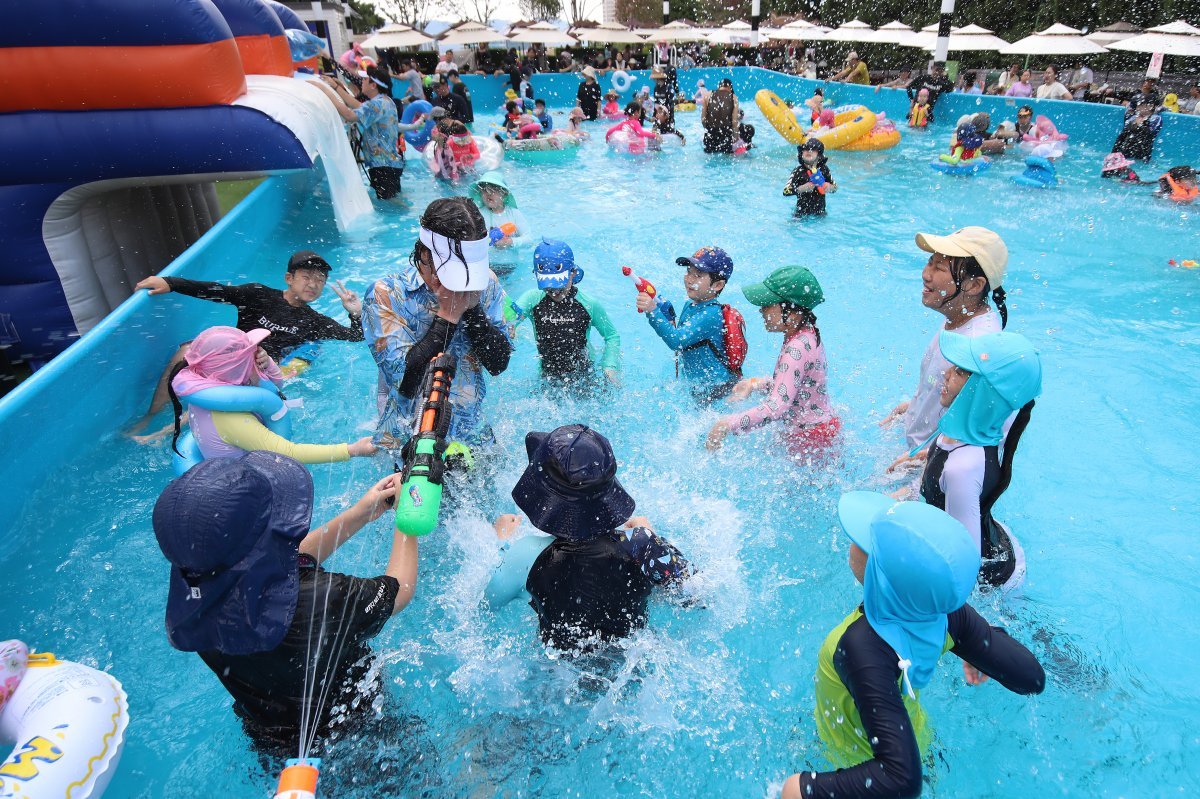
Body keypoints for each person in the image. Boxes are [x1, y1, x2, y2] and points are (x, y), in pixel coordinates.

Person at [778, 492, 1045, 799]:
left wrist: (803, 788)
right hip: (918, 744)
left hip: (858, 772)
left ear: (883, 577)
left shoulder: (859, 645)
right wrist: (985, 644)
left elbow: (900, 779)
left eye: (863, 541)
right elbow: (1031, 678)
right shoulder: (948, 616)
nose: (852, 543)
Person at [152, 452, 418, 751]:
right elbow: (399, 590)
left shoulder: (196, 597)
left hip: (271, 741)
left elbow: (290, 559)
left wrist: (360, 513)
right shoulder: (322, 599)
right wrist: (409, 515)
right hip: (358, 736)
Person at [485, 425, 691, 652]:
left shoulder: (525, 554)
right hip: (632, 661)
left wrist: (502, 540)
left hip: (558, 671)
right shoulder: (641, 545)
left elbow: (489, 603)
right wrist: (652, 537)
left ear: (543, 498)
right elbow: (693, 595)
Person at [130, 251, 364, 436]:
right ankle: (151, 415)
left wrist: (355, 313)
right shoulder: (257, 294)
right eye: (307, 277)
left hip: (257, 371)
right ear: (289, 278)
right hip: (227, 356)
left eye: (320, 280)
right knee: (185, 350)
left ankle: (162, 433)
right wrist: (170, 283)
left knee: (236, 384)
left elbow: (356, 336)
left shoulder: (315, 321)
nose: (313, 284)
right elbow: (217, 291)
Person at [362, 198, 513, 454]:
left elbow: (499, 365)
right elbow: (405, 382)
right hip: (410, 435)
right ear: (424, 255)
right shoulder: (387, 294)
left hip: (472, 431)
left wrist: (473, 310)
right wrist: (447, 316)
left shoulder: (485, 285)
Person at [919, 331, 1042, 589]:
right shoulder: (972, 429)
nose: (946, 373)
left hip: (992, 582)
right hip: (996, 540)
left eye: (961, 372)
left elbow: (964, 567)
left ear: (984, 393)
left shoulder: (961, 468)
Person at [881, 227, 1009, 464]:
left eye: (939, 268)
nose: (926, 274)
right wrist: (915, 406)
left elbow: (984, 439)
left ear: (973, 285)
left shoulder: (978, 347)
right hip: (916, 453)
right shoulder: (959, 317)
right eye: (930, 263)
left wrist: (922, 476)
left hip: (930, 471)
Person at [169, 326, 375, 463]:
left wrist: (268, 366)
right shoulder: (230, 419)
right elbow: (289, 453)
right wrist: (352, 449)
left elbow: (274, 389)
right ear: (236, 368)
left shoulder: (208, 387)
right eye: (252, 353)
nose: (258, 353)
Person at [707, 265, 839, 458]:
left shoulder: (796, 349)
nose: (761, 310)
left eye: (768, 304)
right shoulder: (807, 334)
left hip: (809, 441)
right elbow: (800, 385)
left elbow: (775, 408)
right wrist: (756, 384)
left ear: (793, 312)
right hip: (821, 432)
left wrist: (726, 424)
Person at [637, 246, 741, 403]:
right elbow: (683, 336)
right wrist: (667, 318)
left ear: (717, 285)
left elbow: (677, 342)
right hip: (697, 387)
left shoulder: (711, 314)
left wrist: (653, 311)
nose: (689, 279)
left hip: (716, 390)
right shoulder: (690, 305)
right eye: (688, 272)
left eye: (698, 275)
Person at [513, 239, 621, 389]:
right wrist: (509, 326)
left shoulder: (589, 304)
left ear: (573, 273)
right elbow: (510, 318)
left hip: (585, 373)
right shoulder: (532, 299)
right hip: (547, 375)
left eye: (559, 285)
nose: (554, 292)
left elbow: (612, 336)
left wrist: (609, 366)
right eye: (548, 288)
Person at [313, 67, 407, 201]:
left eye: (365, 79)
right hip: (390, 165)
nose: (361, 81)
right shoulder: (385, 101)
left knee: (391, 205)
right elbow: (358, 106)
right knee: (394, 202)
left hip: (383, 167)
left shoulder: (377, 104)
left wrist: (325, 90)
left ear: (373, 85)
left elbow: (349, 114)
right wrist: (337, 88)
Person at [468, 171, 534, 276]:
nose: (488, 193)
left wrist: (510, 242)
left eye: (493, 189)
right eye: (484, 190)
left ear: (504, 194)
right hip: (487, 266)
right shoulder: (479, 214)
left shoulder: (514, 214)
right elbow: (471, 242)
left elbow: (529, 240)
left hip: (510, 265)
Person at [783, 139, 837, 216]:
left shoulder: (824, 170)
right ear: (801, 153)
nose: (809, 151)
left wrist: (829, 187)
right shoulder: (798, 171)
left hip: (820, 213)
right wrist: (801, 189)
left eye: (813, 149)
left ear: (819, 155)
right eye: (805, 149)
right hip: (801, 213)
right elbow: (785, 192)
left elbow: (835, 188)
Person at [701, 78, 739, 154]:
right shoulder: (734, 97)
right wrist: (736, 136)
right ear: (730, 88)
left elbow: (703, 119)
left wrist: (708, 130)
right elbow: (734, 121)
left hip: (710, 134)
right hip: (726, 134)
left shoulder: (707, 95)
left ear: (719, 86)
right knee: (726, 162)